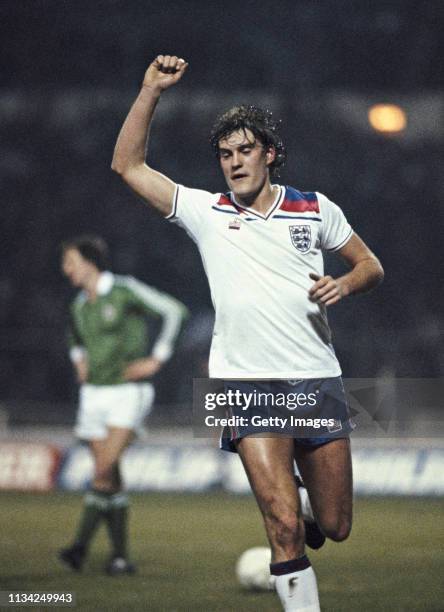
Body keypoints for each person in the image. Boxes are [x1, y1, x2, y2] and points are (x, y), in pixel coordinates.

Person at [111, 55, 384, 610]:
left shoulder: (314, 208)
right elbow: (128, 167)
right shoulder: (206, 210)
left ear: (269, 154)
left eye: (244, 151)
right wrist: (149, 93)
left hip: (315, 380)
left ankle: (307, 507)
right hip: (244, 383)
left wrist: (345, 286)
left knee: (334, 525)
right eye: (224, 154)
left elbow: (370, 266)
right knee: (282, 526)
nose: (233, 163)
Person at [59, 235, 188, 575]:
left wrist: (157, 358)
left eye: (70, 261)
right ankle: (120, 558)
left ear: (89, 262)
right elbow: (74, 338)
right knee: (110, 479)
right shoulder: (79, 305)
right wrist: (78, 360)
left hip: (128, 392)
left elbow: (174, 311)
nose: (65, 268)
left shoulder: (123, 289)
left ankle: (79, 547)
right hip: (93, 396)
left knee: (102, 470)